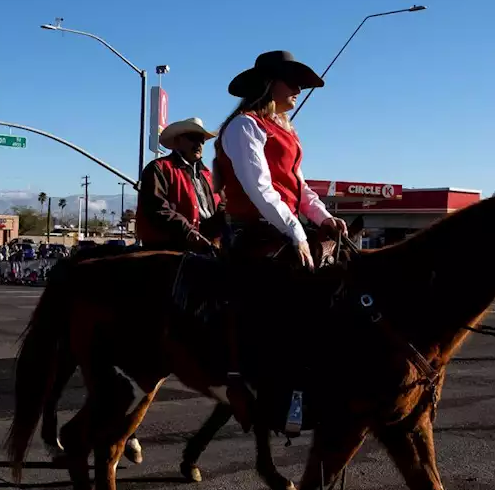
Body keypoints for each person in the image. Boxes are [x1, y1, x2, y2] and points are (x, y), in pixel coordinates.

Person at [212, 49, 349, 431]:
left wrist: (324, 219)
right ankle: (276, 387)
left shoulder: (284, 128)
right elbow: (260, 188)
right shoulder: (244, 127)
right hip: (252, 230)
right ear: (271, 83)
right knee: (293, 295)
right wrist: (296, 232)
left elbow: (298, 186)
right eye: (294, 83)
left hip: (281, 225)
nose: (299, 91)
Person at [136, 117, 222, 252]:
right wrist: (189, 232)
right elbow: (156, 208)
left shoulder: (208, 176)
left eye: (202, 140)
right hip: (168, 250)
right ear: (177, 141)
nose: (199, 144)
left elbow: (221, 205)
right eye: (192, 138)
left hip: (205, 247)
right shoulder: (159, 168)